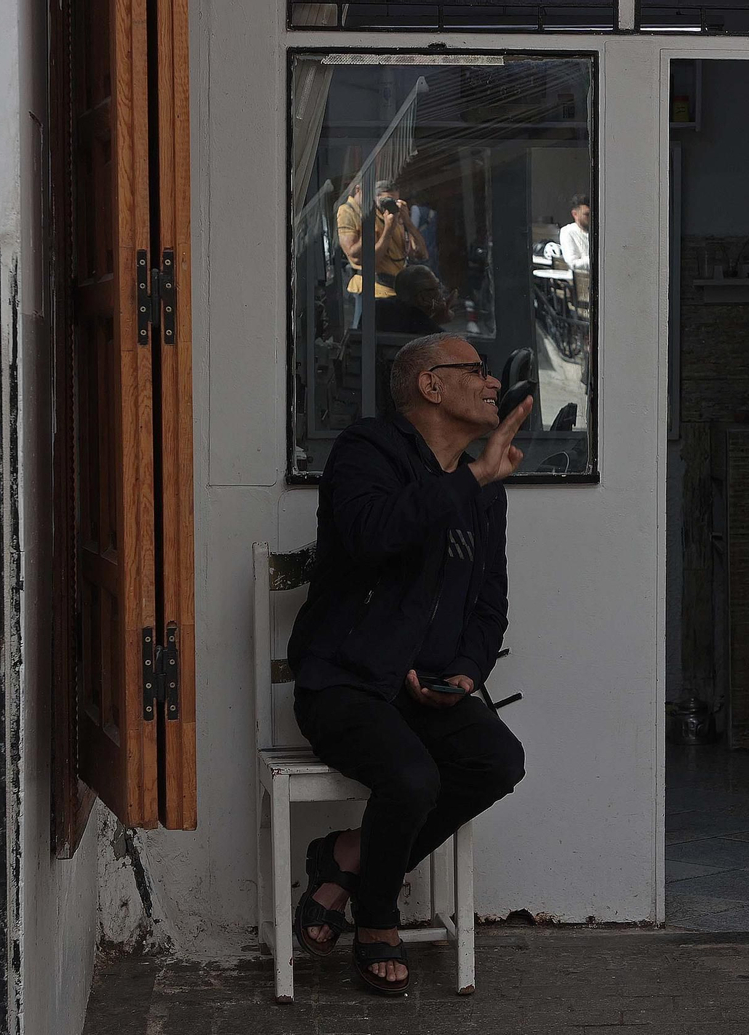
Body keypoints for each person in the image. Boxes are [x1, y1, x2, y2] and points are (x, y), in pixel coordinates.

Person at [288, 332, 533, 995]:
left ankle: (346, 857)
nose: (492, 384)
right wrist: (474, 477)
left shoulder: (485, 492)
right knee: (413, 777)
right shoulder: (366, 452)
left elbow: (489, 605)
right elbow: (376, 534)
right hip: (343, 682)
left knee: (498, 758)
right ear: (431, 385)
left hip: (421, 692)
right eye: (478, 372)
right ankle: (374, 917)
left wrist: (465, 672)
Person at [336, 179, 429, 327]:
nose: (389, 204)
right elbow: (366, 261)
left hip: (397, 291)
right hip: (373, 291)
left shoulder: (394, 217)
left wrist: (407, 221)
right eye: (386, 200)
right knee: (369, 340)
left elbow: (421, 254)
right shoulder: (357, 214)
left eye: (394, 200)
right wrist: (387, 229)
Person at [375, 265, 457, 337]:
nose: (440, 292)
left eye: (439, 286)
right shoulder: (416, 318)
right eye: (435, 288)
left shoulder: (380, 307)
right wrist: (437, 318)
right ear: (421, 297)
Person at [558, 194, 591, 272]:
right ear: (575, 214)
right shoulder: (568, 232)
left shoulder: (597, 231)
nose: (591, 218)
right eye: (587, 215)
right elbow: (572, 264)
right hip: (580, 280)